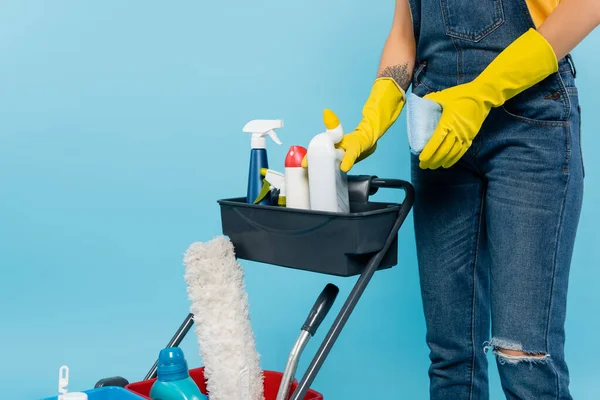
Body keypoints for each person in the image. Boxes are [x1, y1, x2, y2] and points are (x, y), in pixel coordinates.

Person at [323, 0, 599, 398]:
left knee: (525, 360)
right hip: (440, 130)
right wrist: (373, 118)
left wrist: (482, 93)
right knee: (451, 359)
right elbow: (405, 31)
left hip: (529, 126)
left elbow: (587, 8)